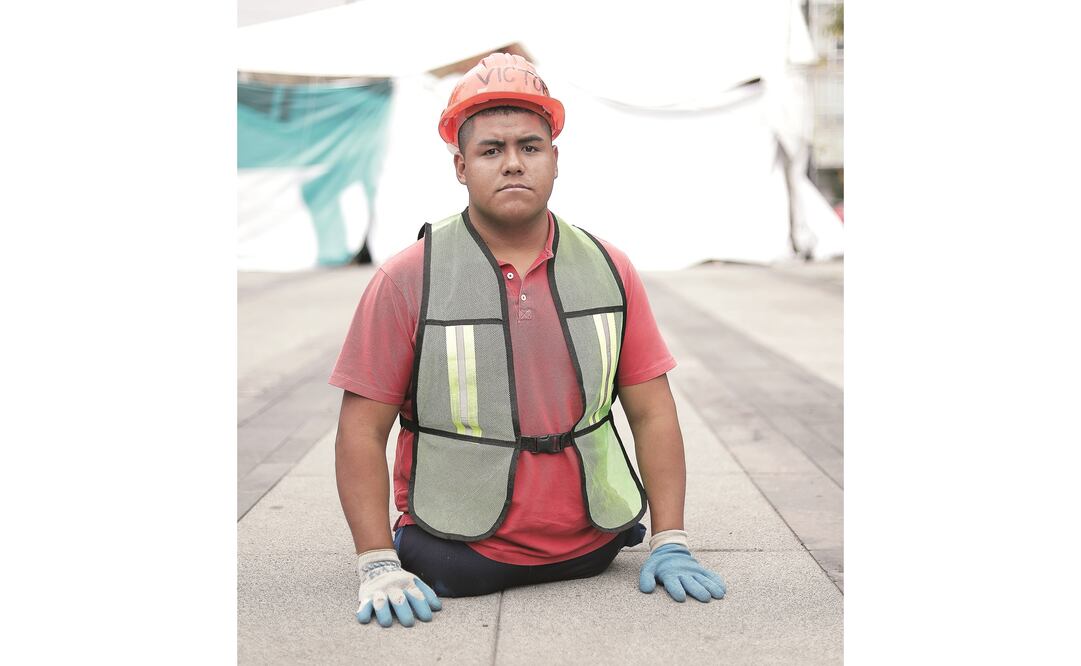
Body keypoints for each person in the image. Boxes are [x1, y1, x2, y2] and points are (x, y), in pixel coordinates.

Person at [331, 53, 726, 629]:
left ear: (555, 160)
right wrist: (376, 562)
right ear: (461, 166)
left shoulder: (610, 267)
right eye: (491, 150)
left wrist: (671, 539)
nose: (513, 163)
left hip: (598, 542)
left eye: (530, 147)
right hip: (455, 553)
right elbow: (360, 431)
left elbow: (654, 412)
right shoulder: (408, 277)